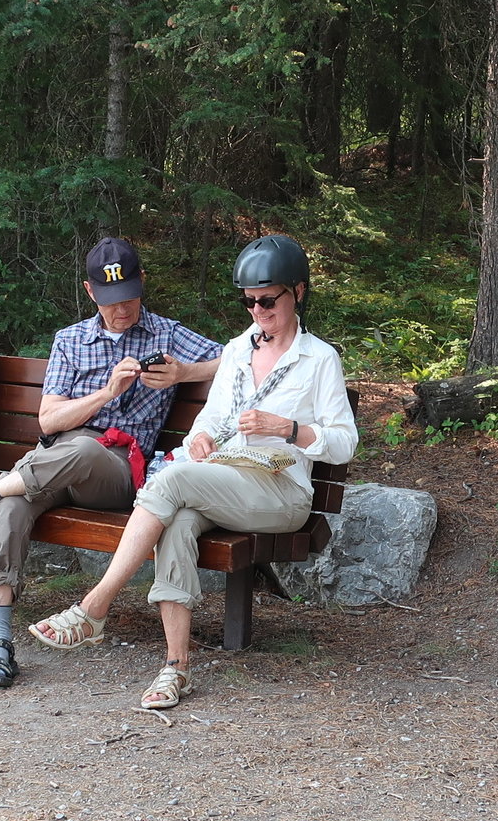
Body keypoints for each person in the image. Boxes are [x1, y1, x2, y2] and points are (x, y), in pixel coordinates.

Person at [25, 234, 357, 710]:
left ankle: (94, 607)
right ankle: (175, 667)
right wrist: (200, 438)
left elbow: (344, 441)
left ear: (298, 292)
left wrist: (289, 429)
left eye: (268, 301)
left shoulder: (319, 358)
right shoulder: (239, 349)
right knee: (177, 521)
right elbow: (210, 418)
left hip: (281, 492)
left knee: (172, 480)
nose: (258, 311)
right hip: (225, 477)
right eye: (249, 302)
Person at [0, 238, 223, 689]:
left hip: (116, 467)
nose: (122, 310)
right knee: (14, 504)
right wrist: (107, 393)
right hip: (56, 456)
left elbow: (238, 358)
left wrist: (183, 373)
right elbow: (49, 420)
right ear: (90, 291)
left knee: (81, 453)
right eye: (110, 300)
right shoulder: (71, 340)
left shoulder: (166, 333)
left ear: (142, 283)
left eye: (129, 297)